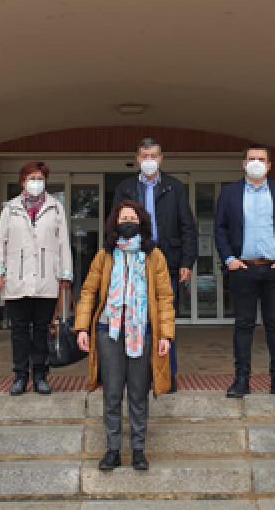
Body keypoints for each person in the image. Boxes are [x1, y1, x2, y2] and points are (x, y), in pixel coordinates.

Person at [74, 200, 175, 472]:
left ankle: (139, 450)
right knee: (113, 393)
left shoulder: (155, 256)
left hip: (142, 332)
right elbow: (88, 292)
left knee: (139, 394)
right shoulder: (104, 255)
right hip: (109, 331)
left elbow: (165, 297)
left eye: (132, 217)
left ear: (142, 221)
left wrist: (166, 334)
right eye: (122, 218)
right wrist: (82, 328)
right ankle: (113, 450)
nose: (127, 222)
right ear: (114, 223)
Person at [214, 145, 275, 398]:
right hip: (243, 269)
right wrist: (229, 259)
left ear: (269, 165)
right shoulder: (230, 193)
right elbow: (220, 229)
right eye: (251, 159)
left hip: (274, 268)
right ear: (243, 164)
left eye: (261, 159)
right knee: (243, 325)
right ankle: (241, 379)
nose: (256, 162)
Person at [110, 137, 196, 390]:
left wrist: (186, 262)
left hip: (167, 260)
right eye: (144, 156)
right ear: (137, 159)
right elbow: (114, 225)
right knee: (132, 317)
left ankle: (166, 375)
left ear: (161, 158)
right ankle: (134, 377)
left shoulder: (175, 188)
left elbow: (187, 227)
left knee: (164, 319)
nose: (149, 161)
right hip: (131, 260)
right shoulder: (125, 188)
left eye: (154, 156)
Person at [0, 160, 74, 395]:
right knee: (19, 330)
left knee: (41, 330)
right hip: (16, 279)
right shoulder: (10, 208)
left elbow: (64, 243)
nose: (35, 183)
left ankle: (40, 375)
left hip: (46, 279)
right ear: (22, 182)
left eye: (39, 178)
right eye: (31, 178)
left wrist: (65, 274)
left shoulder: (56, 207)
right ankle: (19, 375)